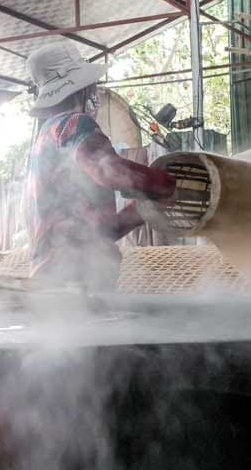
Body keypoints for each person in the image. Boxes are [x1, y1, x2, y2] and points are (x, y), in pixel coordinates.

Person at [24, 41, 176, 288]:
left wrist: (142, 209)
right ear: (82, 89)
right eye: (92, 88)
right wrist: (165, 184)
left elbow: (97, 233)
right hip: (74, 280)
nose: (95, 94)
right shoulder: (74, 124)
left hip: (54, 280)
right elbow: (110, 171)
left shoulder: (46, 137)